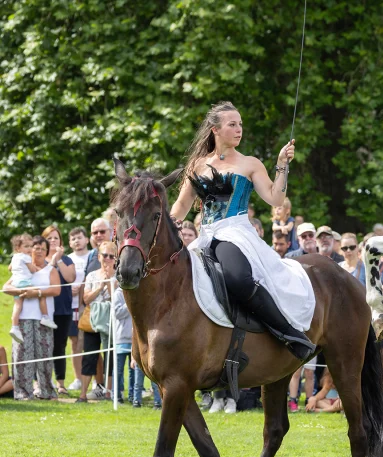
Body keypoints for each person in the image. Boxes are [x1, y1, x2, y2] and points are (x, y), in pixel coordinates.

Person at [170, 101, 315, 360]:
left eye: (240, 125)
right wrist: (170, 225)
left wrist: (282, 164)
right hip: (204, 235)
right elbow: (182, 204)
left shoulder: (250, 163)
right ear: (215, 129)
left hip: (235, 232)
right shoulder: (198, 165)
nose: (239, 129)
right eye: (232, 124)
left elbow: (275, 199)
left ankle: (288, 333)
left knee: (237, 278)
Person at [2, 236, 61, 400]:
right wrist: (22, 292)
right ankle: (22, 392)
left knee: (45, 356)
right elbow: (6, 287)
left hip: (44, 318)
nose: (40, 251)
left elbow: (56, 291)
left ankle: (46, 391)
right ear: (30, 250)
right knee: (22, 356)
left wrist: (37, 293)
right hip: (23, 319)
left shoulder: (50, 270)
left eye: (43, 249)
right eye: (37, 248)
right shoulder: (22, 268)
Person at [77, 241, 117, 403]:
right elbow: (86, 299)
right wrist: (100, 287)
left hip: (111, 320)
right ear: (99, 256)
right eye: (104, 255)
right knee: (89, 356)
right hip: (93, 320)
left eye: (111, 256)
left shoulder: (119, 275)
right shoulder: (92, 276)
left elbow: (118, 300)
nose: (107, 259)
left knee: (110, 355)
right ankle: (83, 394)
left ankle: (108, 393)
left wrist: (109, 284)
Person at [42, 225, 77, 396]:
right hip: (43, 311)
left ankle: (61, 383)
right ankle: (42, 382)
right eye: (49, 238)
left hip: (63, 310)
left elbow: (70, 278)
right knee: (43, 347)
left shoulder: (68, 260)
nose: (53, 241)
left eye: (56, 238)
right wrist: (52, 260)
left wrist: (59, 259)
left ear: (61, 241)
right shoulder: (39, 260)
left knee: (59, 347)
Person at [7, 234, 51, 344]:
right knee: (40, 294)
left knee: (18, 306)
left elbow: (9, 268)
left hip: (16, 283)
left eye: (30, 246)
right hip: (24, 283)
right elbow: (32, 270)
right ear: (18, 248)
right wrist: (36, 268)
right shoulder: (25, 257)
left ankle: (14, 327)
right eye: (26, 246)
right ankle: (45, 317)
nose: (29, 249)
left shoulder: (15, 257)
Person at [67, 227, 91, 390]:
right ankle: (77, 378)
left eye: (79, 237)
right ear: (70, 243)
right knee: (74, 343)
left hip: (88, 306)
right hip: (70, 307)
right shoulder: (68, 259)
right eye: (73, 238)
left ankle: (97, 379)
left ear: (86, 239)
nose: (77, 241)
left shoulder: (93, 256)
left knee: (90, 343)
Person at [113, 285, 134, 403]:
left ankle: (132, 396)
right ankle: (116, 395)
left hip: (134, 339)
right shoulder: (118, 294)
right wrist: (129, 303)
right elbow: (117, 313)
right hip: (121, 338)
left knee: (133, 370)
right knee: (118, 370)